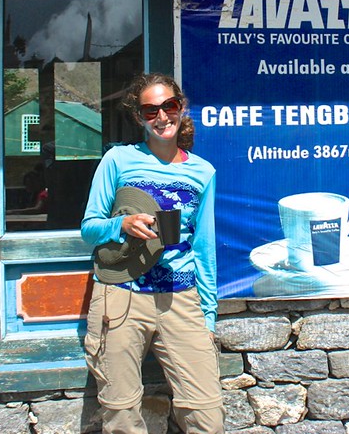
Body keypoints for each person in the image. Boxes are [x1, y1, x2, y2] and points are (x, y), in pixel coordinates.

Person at [81, 73, 223, 434]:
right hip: (122, 297)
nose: (162, 117)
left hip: (181, 299)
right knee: (122, 416)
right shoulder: (118, 160)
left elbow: (203, 248)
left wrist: (207, 315)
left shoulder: (202, 171)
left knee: (207, 415)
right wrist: (122, 226)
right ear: (139, 117)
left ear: (181, 108)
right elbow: (89, 228)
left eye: (169, 106)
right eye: (150, 110)